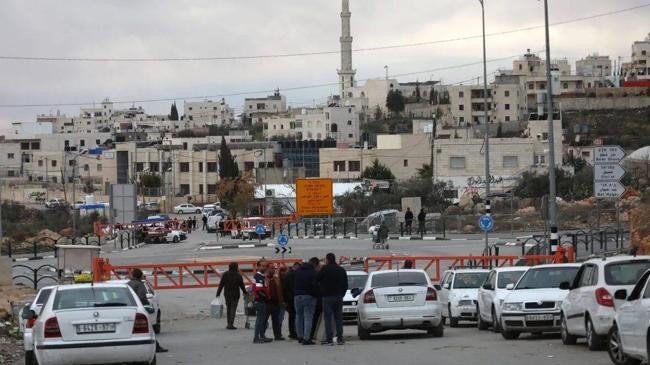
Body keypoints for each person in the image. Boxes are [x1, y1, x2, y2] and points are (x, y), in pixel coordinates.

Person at [127, 269, 168, 353]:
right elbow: (142, 297)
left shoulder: (128, 284)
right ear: (140, 275)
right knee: (149, 329)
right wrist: (146, 305)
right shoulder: (139, 284)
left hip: (129, 309)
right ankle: (156, 347)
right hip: (139, 309)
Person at [316, 253, 348, 345]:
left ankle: (329, 339)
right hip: (338, 296)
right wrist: (342, 294)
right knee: (338, 318)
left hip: (327, 297)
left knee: (328, 318)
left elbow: (317, 279)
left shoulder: (325, 269)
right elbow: (346, 284)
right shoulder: (341, 270)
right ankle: (340, 338)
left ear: (328, 259)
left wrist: (322, 290)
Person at [294, 257, 320, 345]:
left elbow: (293, 283)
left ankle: (299, 336)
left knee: (298, 316)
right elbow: (315, 286)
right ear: (315, 264)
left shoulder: (297, 271)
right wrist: (316, 295)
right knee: (308, 317)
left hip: (297, 296)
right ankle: (306, 338)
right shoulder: (312, 272)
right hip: (308, 296)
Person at [216, 262, 247, 330]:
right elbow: (242, 285)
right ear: (236, 267)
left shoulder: (225, 274)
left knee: (228, 308)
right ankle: (231, 324)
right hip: (235, 294)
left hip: (227, 294)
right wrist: (245, 292)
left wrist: (218, 293)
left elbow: (221, 284)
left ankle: (228, 324)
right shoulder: (238, 275)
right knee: (233, 308)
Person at [252, 260, 272, 343]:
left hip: (262, 301)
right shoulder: (258, 277)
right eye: (262, 266)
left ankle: (262, 336)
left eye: (265, 266)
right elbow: (259, 291)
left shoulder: (262, 277)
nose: (264, 267)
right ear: (258, 266)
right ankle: (257, 338)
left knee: (262, 320)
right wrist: (267, 298)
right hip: (260, 301)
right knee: (260, 320)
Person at [264, 265, 285, 340]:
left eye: (274, 268)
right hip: (266, 302)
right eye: (272, 268)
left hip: (275, 303)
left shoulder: (276, 279)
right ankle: (262, 334)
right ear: (267, 269)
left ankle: (278, 335)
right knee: (264, 320)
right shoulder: (264, 279)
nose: (273, 270)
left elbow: (279, 291)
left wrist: (281, 301)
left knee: (276, 320)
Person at [281, 263, 300, 339]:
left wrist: (285, 299)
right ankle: (296, 332)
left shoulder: (288, 275)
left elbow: (284, 288)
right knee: (296, 315)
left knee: (292, 316)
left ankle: (292, 332)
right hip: (295, 297)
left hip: (290, 298)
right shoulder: (297, 275)